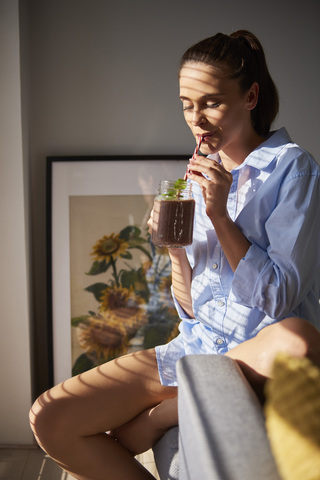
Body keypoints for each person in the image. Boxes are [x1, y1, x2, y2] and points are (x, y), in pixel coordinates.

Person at [29, 30, 320, 480]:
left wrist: (221, 217)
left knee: (299, 339)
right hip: (201, 345)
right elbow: (190, 307)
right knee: (50, 419)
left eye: (211, 102)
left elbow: (279, 295)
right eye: (187, 103)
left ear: (251, 96)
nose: (197, 118)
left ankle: (172, 410)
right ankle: (188, 397)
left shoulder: (293, 168)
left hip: (258, 345)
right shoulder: (198, 175)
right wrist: (175, 251)